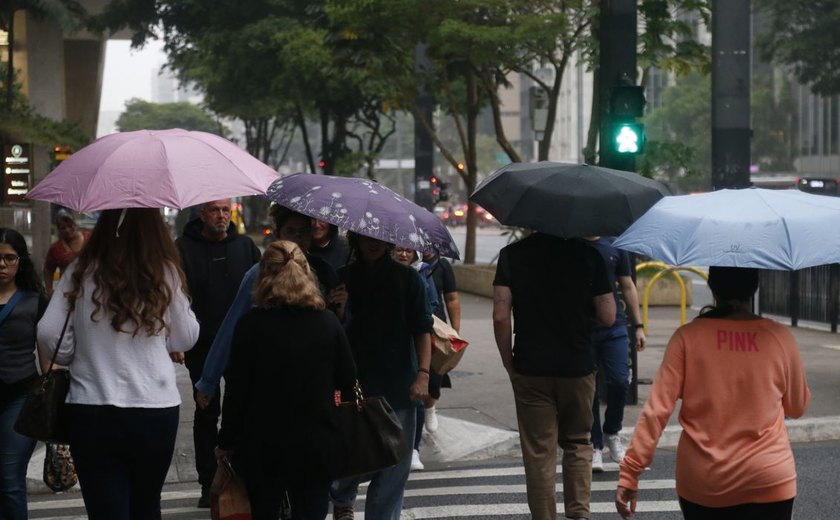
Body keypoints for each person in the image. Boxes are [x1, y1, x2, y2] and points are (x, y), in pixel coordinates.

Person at [37, 208, 199, 520]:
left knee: (105, 509)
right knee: (147, 504)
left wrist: (76, 352)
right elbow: (186, 337)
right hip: (154, 407)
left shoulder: (80, 269)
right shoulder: (164, 271)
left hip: (92, 406)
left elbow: (48, 333)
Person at [615, 267, 811, 520]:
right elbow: (797, 407)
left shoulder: (687, 337)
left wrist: (631, 473)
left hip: (704, 480)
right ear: (754, 287)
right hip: (768, 476)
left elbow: (656, 411)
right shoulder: (780, 337)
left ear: (713, 288)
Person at [216, 241, 356, 520]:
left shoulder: (251, 326)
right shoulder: (328, 323)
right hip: (317, 443)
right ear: (306, 274)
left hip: (263, 446)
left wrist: (225, 441)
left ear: (264, 276)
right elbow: (348, 380)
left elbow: (236, 391)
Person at [493, 232, 615, 520]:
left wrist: (508, 361)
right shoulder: (589, 255)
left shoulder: (512, 255)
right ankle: (579, 514)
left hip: (530, 366)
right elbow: (609, 315)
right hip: (577, 366)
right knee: (577, 442)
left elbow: (500, 315)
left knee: (539, 452)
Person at [194, 205, 340, 408]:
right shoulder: (259, 274)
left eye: (303, 232)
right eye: (291, 231)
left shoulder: (324, 272)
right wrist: (209, 380)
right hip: (270, 379)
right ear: (278, 233)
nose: (298, 238)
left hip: (315, 379)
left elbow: (338, 329)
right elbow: (232, 327)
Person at [330, 232, 433, 520]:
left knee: (395, 469)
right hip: (356, 385)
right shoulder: (343, 278)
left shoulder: (408, 279)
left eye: (379, 237)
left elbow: (422, 330)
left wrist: (423, 374)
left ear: (389, 241)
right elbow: (331, 333)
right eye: (365, 237)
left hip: (400, 384)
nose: (372, 242)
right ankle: (340, 494)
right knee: (355, 460)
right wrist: (338, 309)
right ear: (355, 240)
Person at [175, 199, 260, 507]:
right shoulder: (182, 247)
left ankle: (241, 475)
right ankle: (207, 482)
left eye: (225, 210)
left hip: (241, 344)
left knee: (242, 411)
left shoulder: (246, 246)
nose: (221, 216)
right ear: (202, 214)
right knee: (206, 412)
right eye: (214, 210)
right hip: (201, 343)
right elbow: (174, 295)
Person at [585, 236, 646, 472]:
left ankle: (612, 432)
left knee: (620, 381)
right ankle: (595, 445)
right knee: (589, 388)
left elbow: (628, 285)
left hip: (615, 326)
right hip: (584, 328)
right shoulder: (573, 245)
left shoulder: (616, 245)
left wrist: (638, 326)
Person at [0, 228, 48, 520]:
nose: (2, 264)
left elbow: (48, 361)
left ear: (20, 261)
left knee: (8, 479)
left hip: (19, 398)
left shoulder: (34, 301)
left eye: (9, 258)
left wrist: (55, 402)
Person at [392, 247, 438, 471]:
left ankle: (413, 449)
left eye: (408, 251)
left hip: (414, 345)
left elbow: (432, 306)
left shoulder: (421, 274)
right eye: (398, 250)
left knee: (416, 399)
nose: (403, 254)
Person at [421, 249, 461, 434]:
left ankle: (430, 408)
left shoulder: (442, 266)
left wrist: (455, 331)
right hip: (414, 326)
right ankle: (417, 413)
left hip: (438, 329)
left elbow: (452, 298)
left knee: (435, 373)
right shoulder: (409, 264)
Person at [43, 212, 91, 297]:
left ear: (75, 225)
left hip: (90, 288)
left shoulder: (89, 238)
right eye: (63, 228)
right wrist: (49, 290)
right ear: (59, 230)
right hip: (66, 292)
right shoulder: (56, 248)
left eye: (70, 226)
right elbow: (48, 269)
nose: (67, 230)